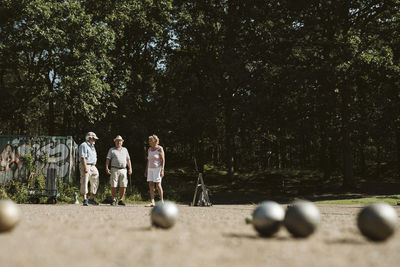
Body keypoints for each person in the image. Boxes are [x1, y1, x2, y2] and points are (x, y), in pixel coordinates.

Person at [105, 135, 132, 206]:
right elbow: (108, 159)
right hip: (114, 169)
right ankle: (113, 199)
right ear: (115, 142)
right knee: (114, 185)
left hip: (123, 169)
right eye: (117, 141)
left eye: (120, 141)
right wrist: (107, 167)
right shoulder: (111, 150)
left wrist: (130, 168)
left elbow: (128, 159)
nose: (118, 142)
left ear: (122, 142)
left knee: (123, 185)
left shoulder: (125, 149)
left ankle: (120, 200)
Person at [78, 132, 100, 206]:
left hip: (93, 165)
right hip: (86, 164)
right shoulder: (83, 145)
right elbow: (83, 157)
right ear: (89, 138)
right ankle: (85, 199)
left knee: (95, 180)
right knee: (84, 181)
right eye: (93, 138)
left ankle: (91, 198)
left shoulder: (92, 146)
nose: (95, 140)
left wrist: (94, 165)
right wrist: (85, 167)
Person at [144, 134, 165, 207]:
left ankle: (162, 201)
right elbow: (148, 160)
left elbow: (163, 160)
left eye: (150, 140)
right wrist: (146, 170)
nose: (149, 142)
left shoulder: (159, 148)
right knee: (150, 184)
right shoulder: (149, 149)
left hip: (157, 168)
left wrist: (162, 170)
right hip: (150, 168)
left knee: (158, 185)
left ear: (155, 141)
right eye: (149, 140)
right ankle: (152, 201)